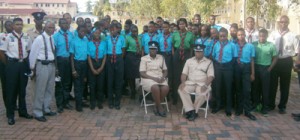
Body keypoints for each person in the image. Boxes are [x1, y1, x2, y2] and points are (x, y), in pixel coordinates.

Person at [0, 18, 33, 125]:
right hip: (12, 65)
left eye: (20, 24)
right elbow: (1, 52)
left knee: (22, 90)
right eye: (17, 24)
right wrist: (8, 65)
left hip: (23, 65)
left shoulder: (26, 37)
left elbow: (29, 51)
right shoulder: (7, 37)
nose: (19, 26)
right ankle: (10, 115)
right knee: (11, 91)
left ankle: (23, 112)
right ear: (13, 26)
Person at [268, 15, 299, 114]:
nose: (283, 24)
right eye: (281, 22)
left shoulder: (293, 36)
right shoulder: (273, 34)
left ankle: (282, 106)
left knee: (285, 85)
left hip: (286, 61)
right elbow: (268, 47)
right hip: (274, 61)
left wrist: (297, 63)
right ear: (279, 23)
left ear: (288, 23)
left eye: (285, 22)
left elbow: (298, 51)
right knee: (272, 84)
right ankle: (271, 105)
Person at [29, 21, 57, 122]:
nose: (51, 29)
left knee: (49, 88)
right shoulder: (39, 39)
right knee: (40, 89)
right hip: (42, 65)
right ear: (45, 28)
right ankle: (37, 111)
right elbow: (33, 54)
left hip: (51, 65)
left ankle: (46, 108)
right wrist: (32, 68)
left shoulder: (51, 38)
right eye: (49, 27)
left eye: (53, 27)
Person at [178, 44, 214, 121]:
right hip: (190, 82)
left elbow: (211, 76)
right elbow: (184, 74)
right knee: (181, 89)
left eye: (200, 52)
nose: (198, 53)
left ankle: (193, 111)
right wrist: (183, 82)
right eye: (196, 52)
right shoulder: (189, 61)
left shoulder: (209, 62)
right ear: (194, 52)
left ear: (203, 52)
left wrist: (206, 85)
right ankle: (191, 110)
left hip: (202, 84)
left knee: (203, 93)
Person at [211, 28, 237, 117]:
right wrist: (217, 65)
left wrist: (229, 66)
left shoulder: (232, 45)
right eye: (221, 36)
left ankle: (228, 108)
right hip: (218, 67)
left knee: (228, 88)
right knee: (218, 87)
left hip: (228, 67)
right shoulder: (216, 45)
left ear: (227, 36)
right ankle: (218, 105)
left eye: (224, 36)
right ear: (219, 36)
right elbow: (213, 56)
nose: (222, 38)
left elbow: (234, 58)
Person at [140, 41, 169, 117]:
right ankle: (159, 107)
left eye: (154, 49)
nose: (153, 50)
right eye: (151, 49)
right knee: (155, 87)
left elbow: (165, 71)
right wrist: (154, 78)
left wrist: (163, 77)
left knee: (166, 88)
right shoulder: (144, 59)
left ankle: (155, 104)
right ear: (149, 49)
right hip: (148, 79)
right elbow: (142, 73)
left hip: (160, 78)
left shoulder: (161, 57)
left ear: (157, 49)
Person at [252, 29, 277, 115]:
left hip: (266, 68)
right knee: (256, 88)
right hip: (256, 67)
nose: (261, 38)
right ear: (258, 36)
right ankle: (256, 105)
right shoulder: (254, 44)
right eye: (260, 36)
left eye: (263, 36)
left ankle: (265, 107)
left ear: (267, 36)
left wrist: (269, 69)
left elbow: (275, 58)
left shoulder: (271, 45)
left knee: (265, 89)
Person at [233, 28, 256, 120]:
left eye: (242, 34)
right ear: (237, 36)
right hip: (237, 67)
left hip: (246, 67)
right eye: (239, 35)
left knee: (246, 90)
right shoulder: (234, 45)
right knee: (238, 89)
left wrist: (252, 73)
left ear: (245, 35)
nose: (241, 36)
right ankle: (239, 108)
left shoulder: (250, 46)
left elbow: (252, 60)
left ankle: (247, 111)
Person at [171, 18, 195, 105]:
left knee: (186, 75)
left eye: (183, 24)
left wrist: (191, 57)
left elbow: (192, 46)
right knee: (176, 75)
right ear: (178, 25)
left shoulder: (190, 34)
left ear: (186, 24)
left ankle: (186, 96)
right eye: (180, 24)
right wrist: (174, 54)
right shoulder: (175, 34)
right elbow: (173, 45)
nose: (181, 25)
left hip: (187, 54)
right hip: (177, 53)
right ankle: (175, 97)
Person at [53, 18, 74, 113]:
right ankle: (59, 104)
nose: (65, 25)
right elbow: (54, 52)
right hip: (60, 60)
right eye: (63, 23)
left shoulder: (71, 35)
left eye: (66, 23)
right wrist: (56, 67)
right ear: (59, 25)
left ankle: (66, 102)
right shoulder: (56, 36)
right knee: (59, 83)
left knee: (67, 83)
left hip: (69, 60)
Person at [106, 23, 126, 110]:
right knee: (110, 81)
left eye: (115, 29)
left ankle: (117, 102)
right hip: (109, 59)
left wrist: (119, 59)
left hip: (118, 59)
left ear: (118, 30)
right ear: (110, 30)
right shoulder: (107, 39)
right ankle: (110, 101)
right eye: (111, 29)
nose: (113, 31)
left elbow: (123, 50)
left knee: (118, 81)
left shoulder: (121, 38)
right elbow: (105, 50)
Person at [70, 25, 89, 112]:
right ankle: (78, 105)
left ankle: (81, 101)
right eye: (81, 31)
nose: (83, 33)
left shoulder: (86, 40)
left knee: (83, 84)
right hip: (77, 63)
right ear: (77, 31)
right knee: (77, 85)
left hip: (85, 64)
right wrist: (73, 69)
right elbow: (71, 56)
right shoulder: (73, 41)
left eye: (84, 32)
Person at [87, 27, 106, 110]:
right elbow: (88, 57)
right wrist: (92, 69)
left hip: (101, 63)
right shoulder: (89, 43)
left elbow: (105, 56)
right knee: (92, 85)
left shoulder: (103, 43)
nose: (97, 35)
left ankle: (99, 102)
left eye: (99, 33)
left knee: (100, 85)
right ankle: (92, 102)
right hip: (92, 63)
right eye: (95, 33)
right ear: (92, 34)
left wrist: (101, 67)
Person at [124, 25, 142, 99]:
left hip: (139, 57)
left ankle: (141, 92)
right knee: (131, 76)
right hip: (130, 57)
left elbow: (142, 47)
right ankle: (133, 91)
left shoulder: (140, 38)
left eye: (136, 31)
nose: (135, 33)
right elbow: (125, 49)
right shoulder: (127, 38)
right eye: (133, 31)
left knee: (139, 74)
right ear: (130, 31)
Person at [0, 20, 13, 109]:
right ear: (5, 26)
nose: (9, 26)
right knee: (5, 85)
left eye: (10, 25)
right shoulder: (1, 36)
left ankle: (13, 103)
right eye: (7, 25)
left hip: (13, 63)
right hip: (3, 63)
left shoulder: (15, 36)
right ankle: (7, 104)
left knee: (14, 84)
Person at [158, 21, 173, 93]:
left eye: (166, 27)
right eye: (163, 27)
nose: (164, 29)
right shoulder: (159, 36)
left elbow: (173, 46)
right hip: (161, 55)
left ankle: (168, 89)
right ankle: (161, 87)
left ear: (169, 27)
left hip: (169, 55)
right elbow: (157, 46)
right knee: (161, 72)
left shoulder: (172, 36)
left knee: (168, 72)